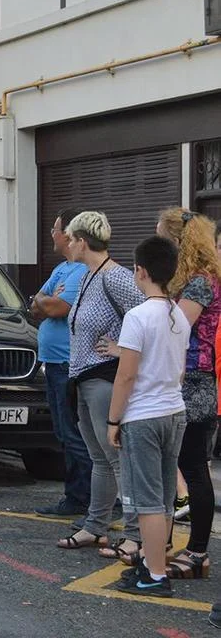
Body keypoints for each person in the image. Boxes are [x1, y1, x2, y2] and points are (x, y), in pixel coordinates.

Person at [55, 211, 144, 559]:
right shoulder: (89, 275)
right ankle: (95, 527)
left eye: (71, 239)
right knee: (100, 458)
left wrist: (122, 348)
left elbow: (148, 314)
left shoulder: (116, 277)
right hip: (83, 378)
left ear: (82, 241)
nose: (67, 244)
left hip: (104, 377)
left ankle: (135, 534)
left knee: (117, 458)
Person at [107, 236, 189, 598]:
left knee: (147, 502)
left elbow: (126, 375)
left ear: (140, 271)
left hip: (143, 416)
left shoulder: (138, 317)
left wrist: (113, 420)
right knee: (165, 497)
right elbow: (180, 371)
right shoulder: (178, 315)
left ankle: (154, 575)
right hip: (174, 411)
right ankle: (152, 563)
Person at [155, 208, 221, 580]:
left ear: (179, 242)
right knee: (180, 465)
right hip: (188, 381)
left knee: (193, 468)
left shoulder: (199, 283)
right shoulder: (196, 279)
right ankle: (165, 545)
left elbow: (175, 330)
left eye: (162, 238)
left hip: (195, 384)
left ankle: (197, 552)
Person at [32, 209, 92, 517]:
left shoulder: (80, 271)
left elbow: (56, 308)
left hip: (69, 363)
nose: (51, 234)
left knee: (73, 433)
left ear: (68, 234)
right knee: (63, 432)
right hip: (53, 362)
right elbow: (34, 306)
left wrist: (46, 301)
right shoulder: (61, 269)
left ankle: (85, 497)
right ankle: (80, 495)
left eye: (55, 229)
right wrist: (45, 300)